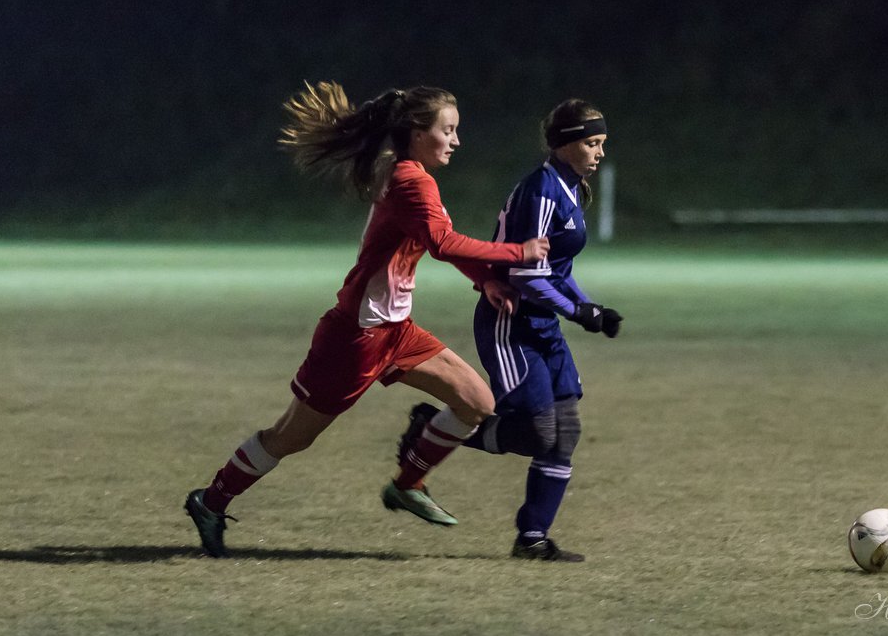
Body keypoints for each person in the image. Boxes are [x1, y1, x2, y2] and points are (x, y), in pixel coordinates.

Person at [183, 82, 549, 558]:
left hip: (395, 330)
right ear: (418, 132)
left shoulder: (408, 173)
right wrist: (515, 253)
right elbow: (442, 241)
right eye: (448, 130)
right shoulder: (409, 179)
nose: (456, 140)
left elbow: (436, 237)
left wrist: (486, 281)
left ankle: (408, 483)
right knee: (291, 436)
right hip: (355, 337)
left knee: (476, 400)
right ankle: (211, 501)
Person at [401, 99, 620, 562]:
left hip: (541, 322)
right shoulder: (542, 191)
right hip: (510, 322)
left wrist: (585, 305)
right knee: (538, 433)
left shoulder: (571, 186)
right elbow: (525, 275)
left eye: (602, 143)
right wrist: (580, 313)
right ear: (565, 143)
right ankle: (433, 428)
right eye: (592, 143)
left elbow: (556, 268)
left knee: (566, 431)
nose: (599, 152)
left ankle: (533, 538)